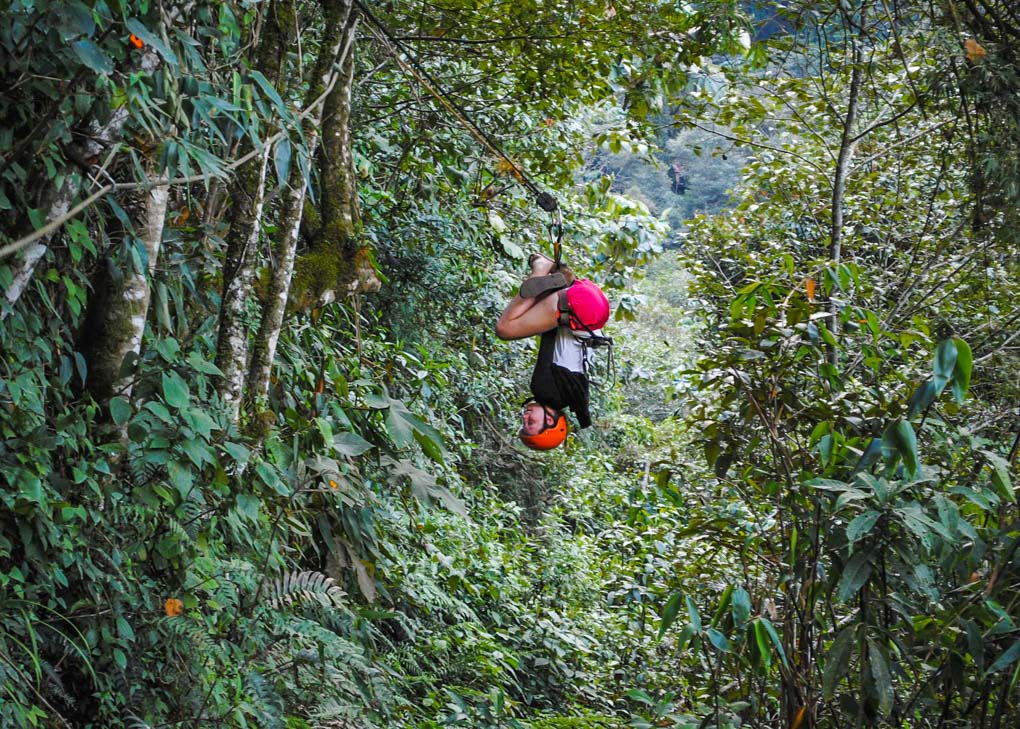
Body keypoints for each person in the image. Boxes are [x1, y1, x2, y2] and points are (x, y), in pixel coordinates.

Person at [495, 253, 610, 450]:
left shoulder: (567, 396)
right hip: (578, 306)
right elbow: (548, 335)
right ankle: (542, 267)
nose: (525, 417)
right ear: (550, 420)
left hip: (595, 305)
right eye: (531, 423)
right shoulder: (544, 391)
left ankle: (563, 279)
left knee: (532, 312)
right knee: (505, 329)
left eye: (524, 422)